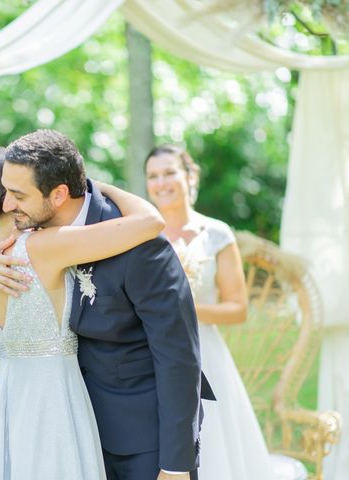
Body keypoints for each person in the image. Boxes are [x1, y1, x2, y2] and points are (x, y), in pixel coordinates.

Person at [0, 130, 214, 480]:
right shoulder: (27, 233)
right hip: (69, 429)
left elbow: (178, 357)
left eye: (16, 194)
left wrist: (176, 465)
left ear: (58, 194)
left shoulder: (137, 242)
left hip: (141, 442)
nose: (8, 204)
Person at [144, 144, 275, 480]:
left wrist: (186, 309)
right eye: (153, 176)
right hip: (150, 355)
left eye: (170, 172)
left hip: (206, 355)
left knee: (215, 445)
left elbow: (238, 308)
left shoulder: (216, 234)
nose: (162, 182)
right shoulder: (140, 236)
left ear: (190, 176)